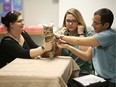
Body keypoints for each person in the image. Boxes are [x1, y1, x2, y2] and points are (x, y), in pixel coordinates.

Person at [55, 8, 116, 87]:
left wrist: (61, 37)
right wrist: (64, 44)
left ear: (106, 25)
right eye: (68, 21)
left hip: (108, 80)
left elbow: (80, 44)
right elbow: (87, 55)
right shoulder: (98, 36)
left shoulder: (107, 36)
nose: (92, 25)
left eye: (96, 23)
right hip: (99, 77)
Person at [57, 8, 93, 76]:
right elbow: (57, 56)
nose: (70, 24)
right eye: (68, 21)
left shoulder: (87, 35)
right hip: (64, 72)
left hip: (82, 73)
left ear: (79, 22)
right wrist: (62, 36)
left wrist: (80, 34)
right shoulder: (59, 34)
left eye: (74, 21)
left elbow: (86, 56)